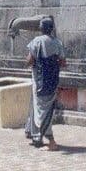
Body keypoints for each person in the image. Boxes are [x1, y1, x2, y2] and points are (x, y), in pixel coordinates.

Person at [24, 17, 66, 151]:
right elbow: (63, 62)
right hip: (53, 81)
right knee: (44, 110)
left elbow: (29, 61)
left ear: (41, 29)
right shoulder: (57, 42)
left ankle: (51, 141)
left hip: (40, 81)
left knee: (41, 111)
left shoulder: (36, 41)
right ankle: (36, 136)